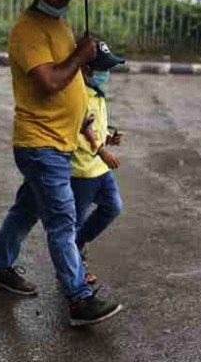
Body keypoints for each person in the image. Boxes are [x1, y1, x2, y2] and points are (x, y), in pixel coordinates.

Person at [0, 0, 123, 327]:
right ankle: (79, 299)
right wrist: (79, 55)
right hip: (41, 142)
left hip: (59, 141)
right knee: (62, 221)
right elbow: (49, 81)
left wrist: (83, 51)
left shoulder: (60, 23)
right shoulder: (27, 30)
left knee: (27, 209)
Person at [72, 41, 126, 287]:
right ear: (85, 69)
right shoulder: (77, 95)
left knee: (112, 207)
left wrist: (108, 139)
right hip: (82, 170)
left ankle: (77, 244)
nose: (107, 74)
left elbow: (95, 129)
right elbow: (82, 128)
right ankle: (74, 271)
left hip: (100, 169)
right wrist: (102, 149)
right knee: (75, 221)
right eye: (102, 69)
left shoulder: (96, 93)